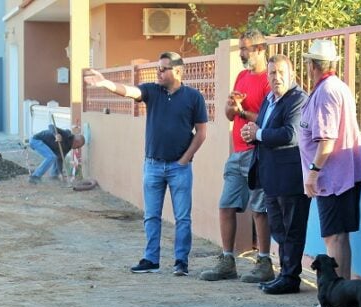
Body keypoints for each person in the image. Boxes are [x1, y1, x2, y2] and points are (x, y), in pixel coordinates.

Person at [85, 52, 208, 276]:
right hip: (152, 165)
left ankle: (181, 261)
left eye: (163, 69)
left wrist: (184, 159)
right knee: (151, 215)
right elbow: (131, 91)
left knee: (182, 218)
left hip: (179, 168)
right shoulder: (152, 91)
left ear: (178, 71)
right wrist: (106, 83)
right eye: (158, 69)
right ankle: (151, 259)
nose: (158, 73)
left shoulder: (193, 97)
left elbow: (201, 133)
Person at [298, 40, 361, 307]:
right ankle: (343, 297)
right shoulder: (333, 88)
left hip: (334, 176)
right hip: (339, 174)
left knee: (335, 238)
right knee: (338, 236)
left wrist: (314, 173)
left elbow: (326, 139)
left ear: (312, 65)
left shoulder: (328, 91)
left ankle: (336, 300)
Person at [199, 30, 275, 284]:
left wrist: (243, 111)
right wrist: (232, 108)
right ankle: (227, 259)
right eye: (241, 49)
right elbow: (231, 115)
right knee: (226, 205)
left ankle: (264, 261)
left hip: (258, 152)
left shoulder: (268, 80)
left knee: (259, 209)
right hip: (238, 151)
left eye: (246, 49)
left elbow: (267, 120)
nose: (242, 54)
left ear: (261, 49)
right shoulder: (242, 76)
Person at [241, 55, 309, 295]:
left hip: (290, 177)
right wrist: (251, 131)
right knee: (279, 229)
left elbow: (290, 134)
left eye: (281, 72)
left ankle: (291, 278)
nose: (276, 77)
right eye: (272, 73)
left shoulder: (298, 99)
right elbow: (263, 130)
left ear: (291, 74)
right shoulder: (270, 100)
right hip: (270, 176)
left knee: (292, 229)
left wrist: (258, 134)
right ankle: (284, 274)